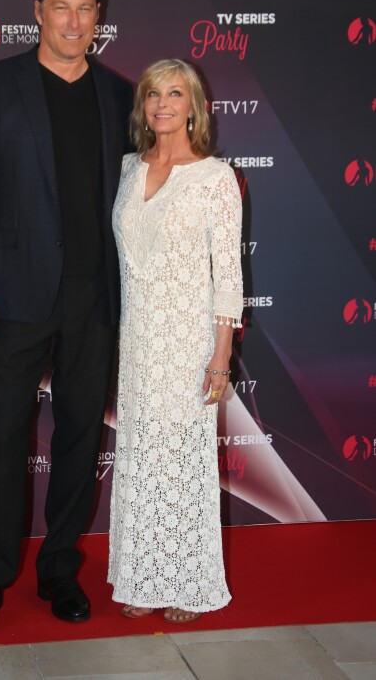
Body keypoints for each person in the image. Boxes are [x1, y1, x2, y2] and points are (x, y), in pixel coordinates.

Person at [0, 0, 133, 634]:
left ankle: (59, 571)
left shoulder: (120, 95)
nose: (74, 20)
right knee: (3, 438)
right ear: (37, 11)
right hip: (14, 295)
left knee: (82, 437)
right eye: (62, 6)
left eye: (87, 8)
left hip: (94, 298)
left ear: (98, 18)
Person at [108, 59, 243, 623]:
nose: (162, 103)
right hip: (137, 340)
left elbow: (228, 275)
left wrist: (220, 357)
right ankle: (141, 576)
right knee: (139, 457)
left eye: (175, 93)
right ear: (143, 106)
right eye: (152, 94)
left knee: (182, 462)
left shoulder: (215, 178)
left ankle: (187, 581)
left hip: (187, 343)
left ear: (195, 106)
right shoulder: (127, 168)